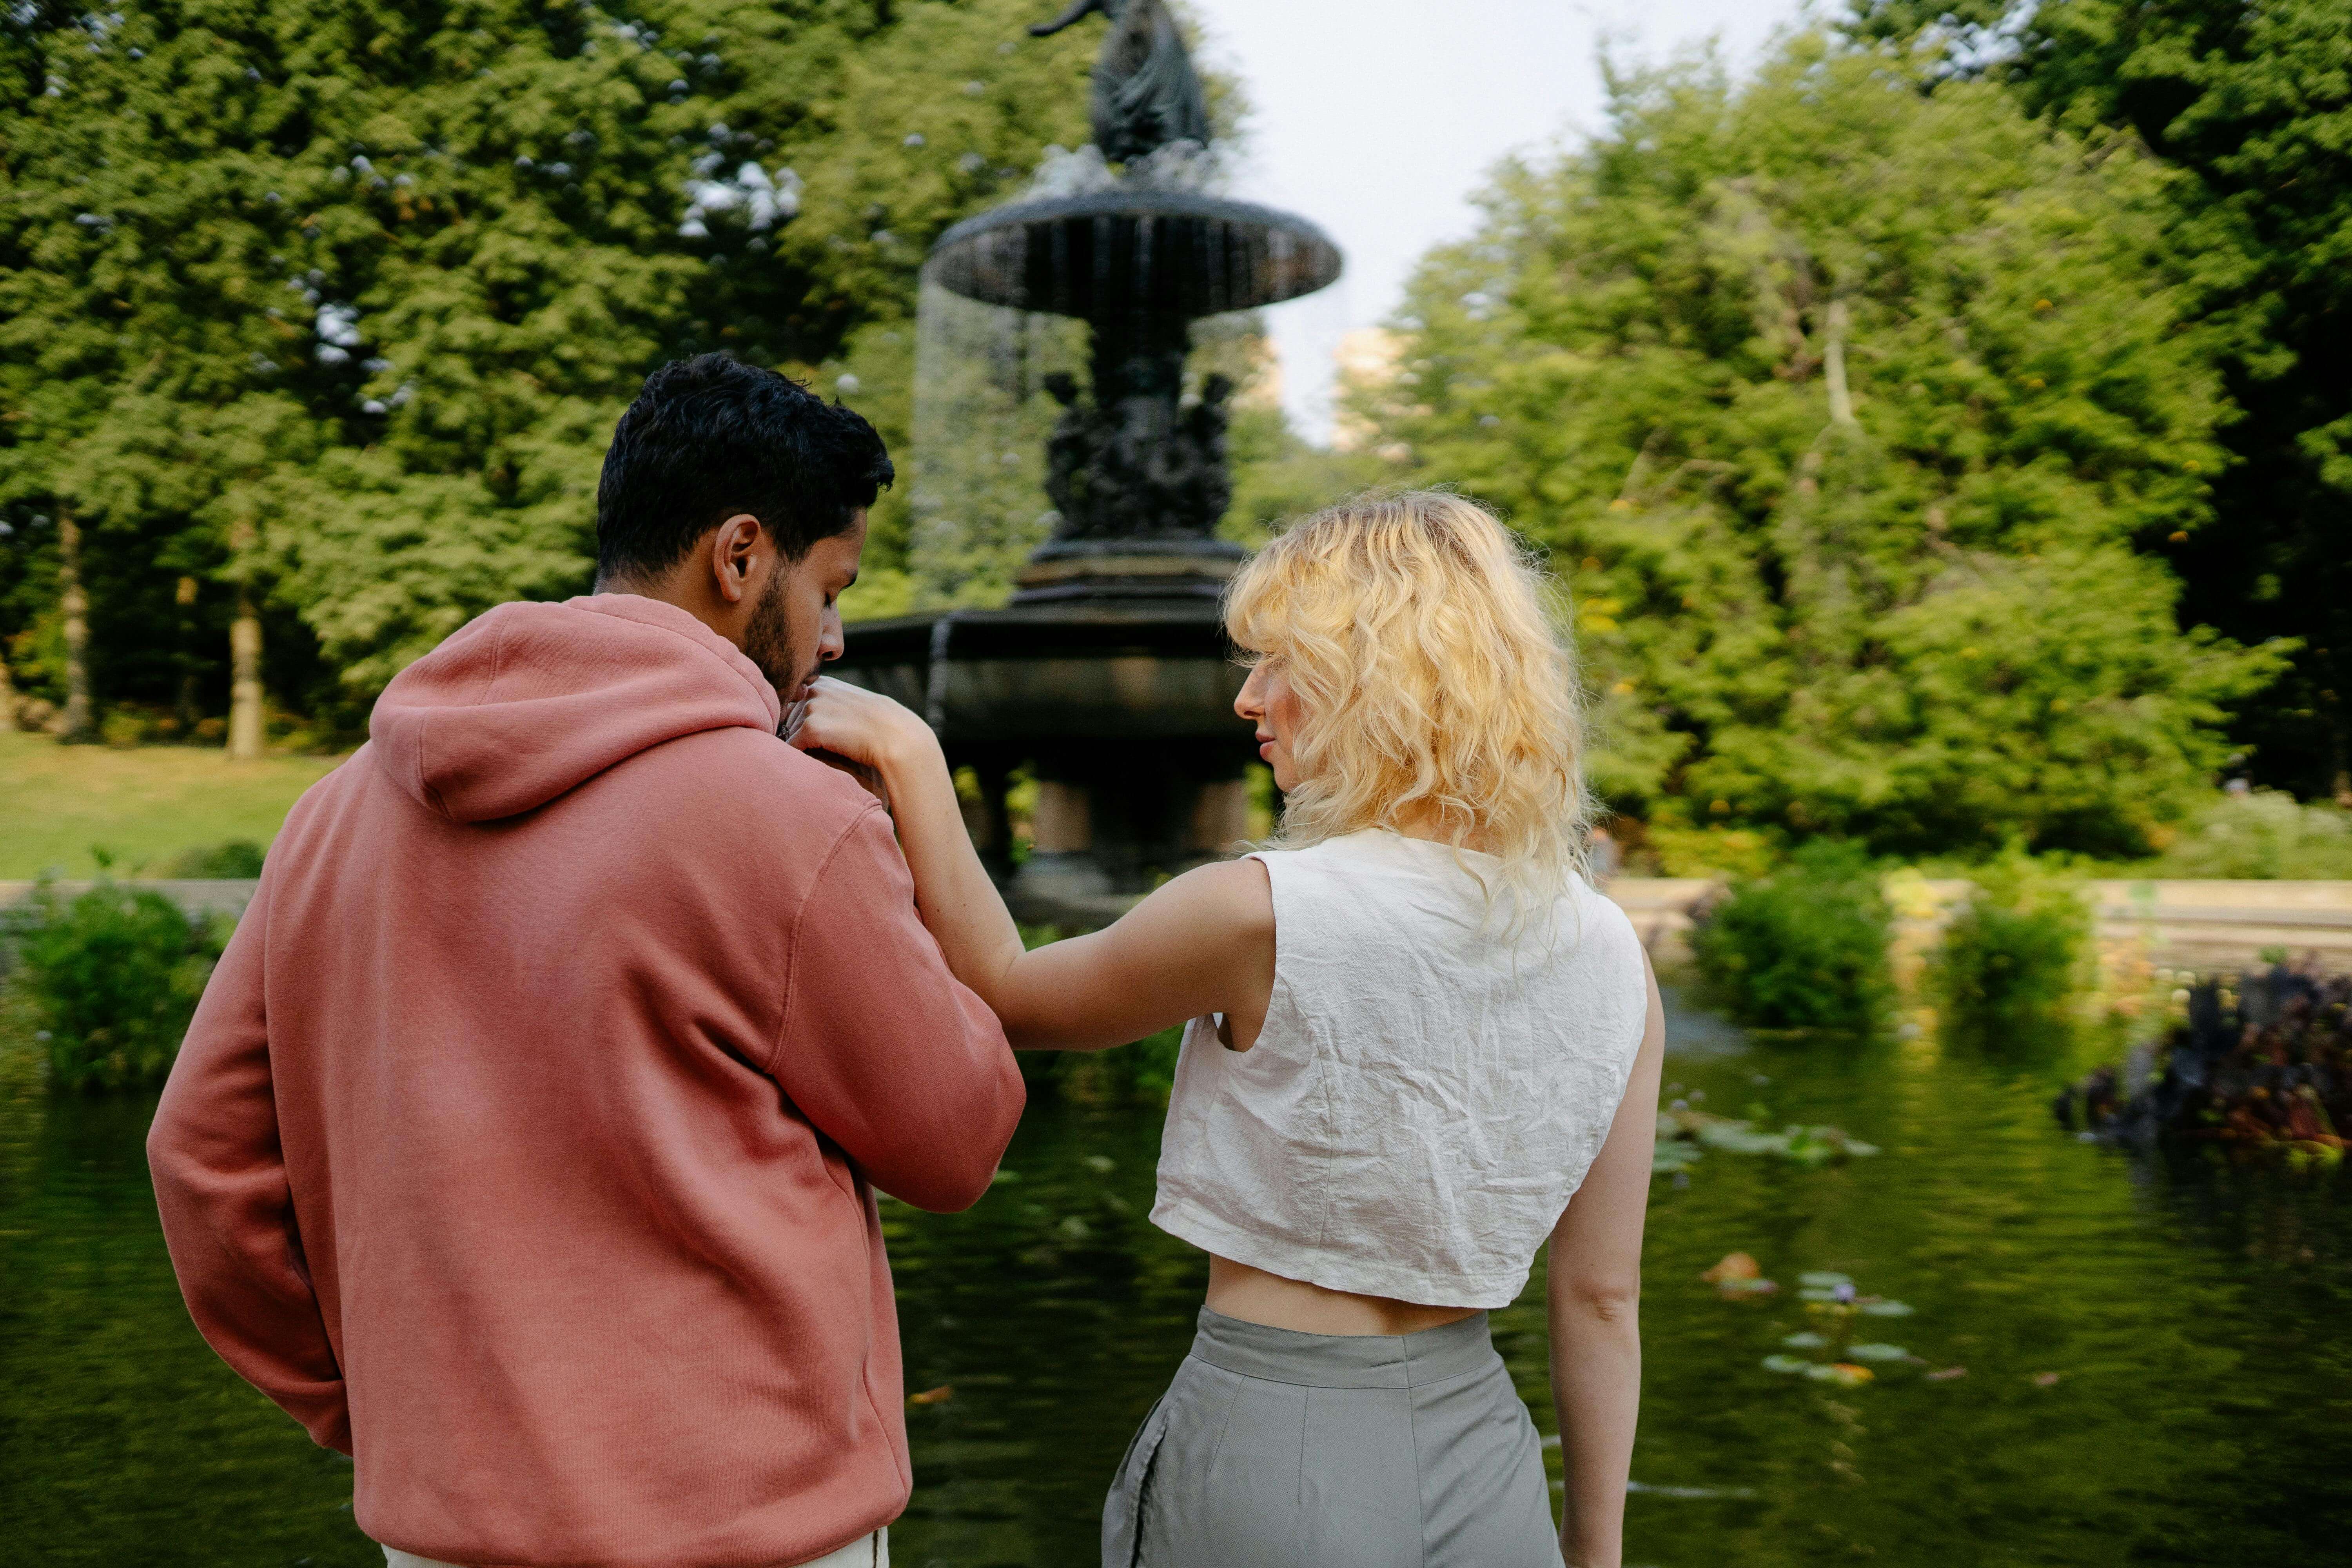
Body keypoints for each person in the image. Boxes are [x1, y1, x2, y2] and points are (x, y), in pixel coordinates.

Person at [147, 354, 1024, 1568]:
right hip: (748, 1530)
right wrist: (915, 786)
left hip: (449, 1526)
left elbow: (200, 1159)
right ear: (740, 556)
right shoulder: (784, 815)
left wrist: (379, 1414)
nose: (833, 637)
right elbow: (957, 1140)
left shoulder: (335, 812)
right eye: (832, 590)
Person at [795, 490, 1665, 1568]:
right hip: (1486, 1453)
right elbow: (1601, 1297)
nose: (1249, 700)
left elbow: (1008, 993)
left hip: (1282, 1440)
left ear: (1373, 678)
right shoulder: (1609, 950)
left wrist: (914, 761)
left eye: (1278, 663)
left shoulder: (1260, 909)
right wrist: (1596, 1553)